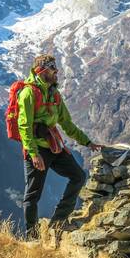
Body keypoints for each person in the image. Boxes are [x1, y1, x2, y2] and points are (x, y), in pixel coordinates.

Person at [17, 54, 102, 237]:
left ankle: (58, 221)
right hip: (38, 149)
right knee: (33, 194)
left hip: (54, 147)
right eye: (52, 68)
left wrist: (87, 142)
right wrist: (33, 154)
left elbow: (67, 123)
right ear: (41, 70)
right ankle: (32, 237)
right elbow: (24, 126)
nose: (57, 72)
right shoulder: (28, 93)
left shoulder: (54, 94)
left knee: (78, 176)